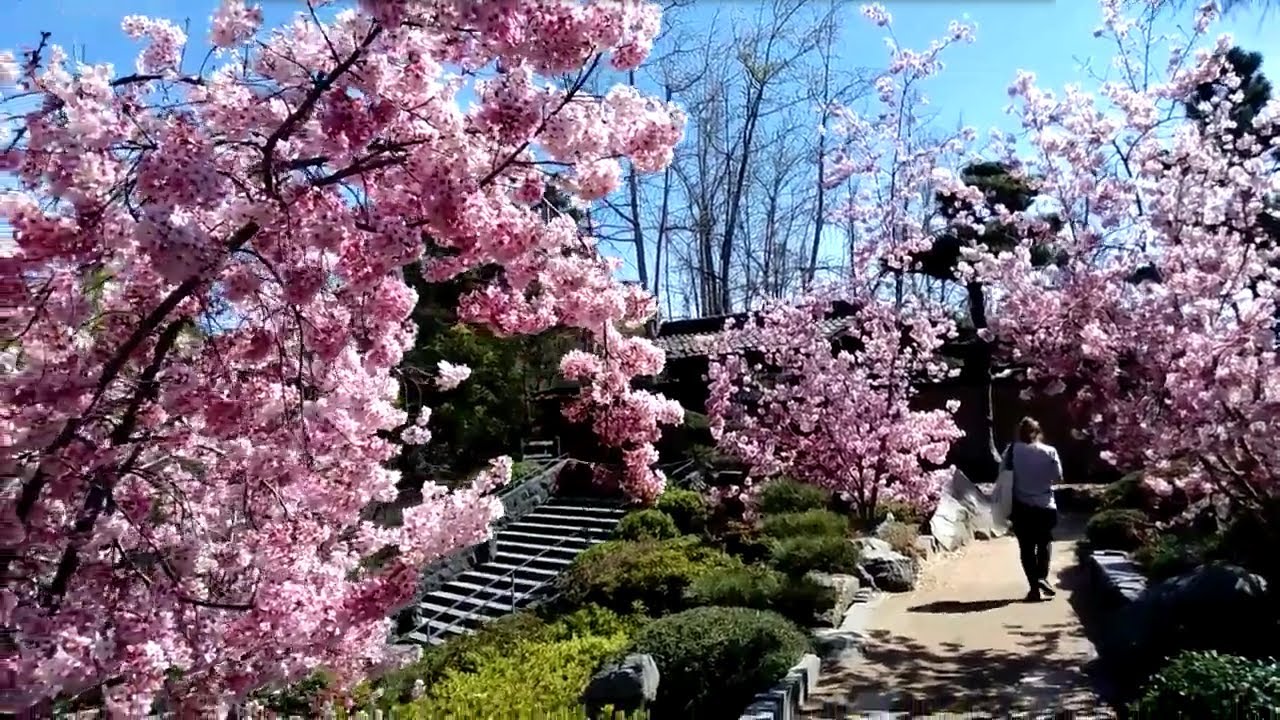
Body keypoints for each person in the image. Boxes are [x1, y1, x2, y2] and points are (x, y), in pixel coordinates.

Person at [1002, 417, 1062, 602]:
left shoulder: (1011, 451)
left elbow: (1003, 474)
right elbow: (1058, 477)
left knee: (1026, 548)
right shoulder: (1050, 451)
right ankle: (1042, 576)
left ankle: (1034, 587)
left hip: (1021, 507)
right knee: (1044, 542)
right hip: (1046, 505)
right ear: (1038, 432)